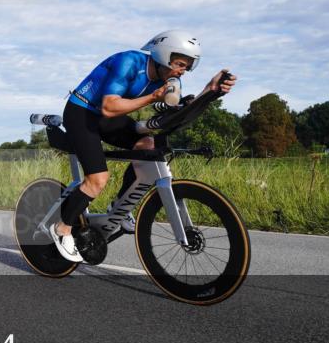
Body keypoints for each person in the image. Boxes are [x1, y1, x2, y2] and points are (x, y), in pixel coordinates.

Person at [49, 30, 236, 262]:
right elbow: (109, 107)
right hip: (82, 112)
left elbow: (175, 112)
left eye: (187, 67)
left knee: (146, 145)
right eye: (179, 64)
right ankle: (62, 229)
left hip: (108, 118)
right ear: (162, 56)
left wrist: (210, 91)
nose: (182, 71)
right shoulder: (129, 62)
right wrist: (153, 97)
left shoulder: (168, 78)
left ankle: (119, 207)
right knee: (97, 178)